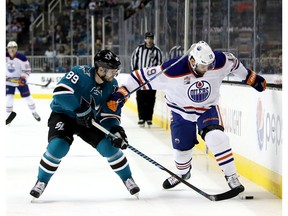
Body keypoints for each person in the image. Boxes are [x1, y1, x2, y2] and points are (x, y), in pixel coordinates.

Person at [107, 41, 267, 194]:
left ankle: (232, 176)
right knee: (182, 154)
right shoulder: (172, 70)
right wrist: (122, 93)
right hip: (180, 112)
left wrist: (251, 78)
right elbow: (137, 77)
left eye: (209, 66)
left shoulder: (219, 61)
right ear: (192, 61)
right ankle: (182, 173)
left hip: (207, 108)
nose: (207, 69)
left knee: (216, 138)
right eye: (203, 66)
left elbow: (235, 64)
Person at [29, 50, 140, 199]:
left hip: (89, 120)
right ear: (101, 69)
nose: (115, 74)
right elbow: (60, 93)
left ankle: (127, 178)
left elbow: (109, 114)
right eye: (113, 71)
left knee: (109, 148)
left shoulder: (112, 85)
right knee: (58, 147)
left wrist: (115, 129)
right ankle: (41, 181)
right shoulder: (80, 72)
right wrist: (78, 109)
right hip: (64, 115)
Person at [130, 32, 163, 127]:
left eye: (151, 38)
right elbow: (133, 60)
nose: (149, 40)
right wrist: (135, 73)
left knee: (150, 98)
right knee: (140, 98)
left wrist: (156, 77)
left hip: (152, 79)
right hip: (140, 78)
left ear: (153, 39)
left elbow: (160, 65)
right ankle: (141, 118)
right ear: (145, 39)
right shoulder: (139, 49)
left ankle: (149, 118)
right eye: (147, 38)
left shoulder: (157, 51)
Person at [6, 41, 41, 123]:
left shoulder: (22, 58)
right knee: (9, 98)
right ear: (7, 49)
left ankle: (34, 112)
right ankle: (8, 117)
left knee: (28, 97)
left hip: (19, 81)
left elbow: (27, 70)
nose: (12, 50)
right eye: (10, 48)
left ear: (16, 48)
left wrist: (23, 78)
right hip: (9, 82)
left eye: (14, 48)